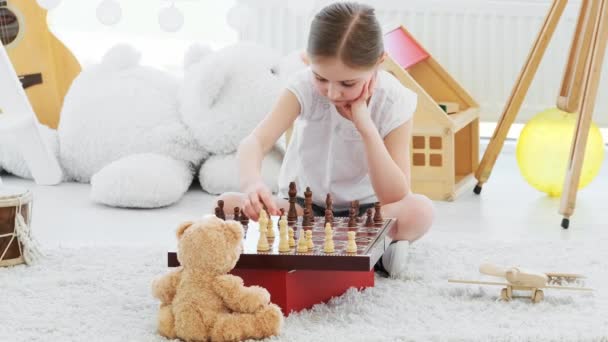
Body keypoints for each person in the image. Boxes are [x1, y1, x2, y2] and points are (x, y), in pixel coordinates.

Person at [216, 2, 434, 278]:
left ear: (380, 61)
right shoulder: (303, 86)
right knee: (225, 205)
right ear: (308, 60)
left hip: (368, 213)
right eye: (322, 78)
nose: (332, 93)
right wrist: (252, 184)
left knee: (419, 211)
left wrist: (365, 127)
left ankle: (363, 245)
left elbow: (396, 195)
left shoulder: (394, 101)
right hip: (303, 209)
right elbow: (255, 142)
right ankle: (366, 249)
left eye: (348, 84)